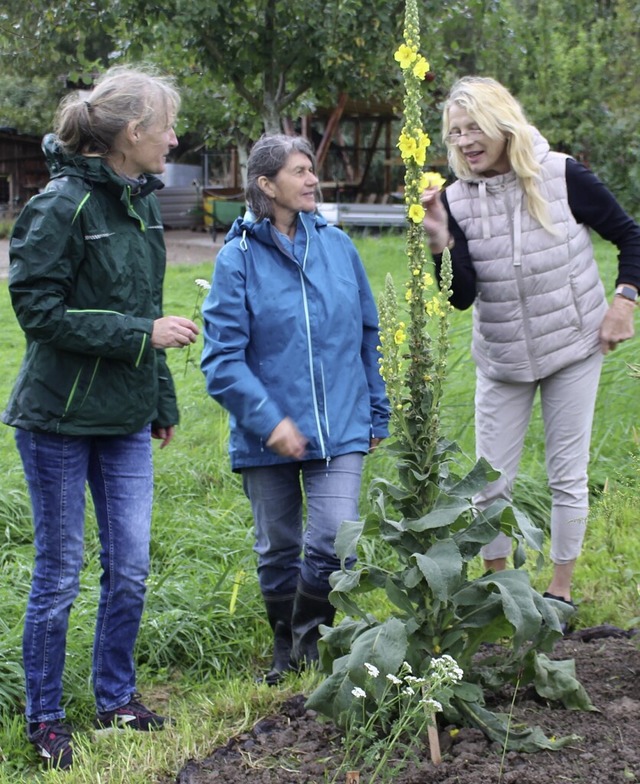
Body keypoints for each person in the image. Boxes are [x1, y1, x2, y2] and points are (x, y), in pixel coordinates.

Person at [2, 66, 199, 770]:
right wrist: (139, 334)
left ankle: (116, 698)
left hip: (123, 418)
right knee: (59, 573)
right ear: (132, 132)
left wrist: (162, 398)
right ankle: (45, 718)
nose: (174, 137)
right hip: (56, 419)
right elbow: (39, 313)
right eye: (167, 125)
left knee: (132, 568)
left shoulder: (142, 205)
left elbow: (150, 306)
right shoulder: (60, 206)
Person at [422, 76, 640, 620]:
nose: (466, 141)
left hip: (572, 343)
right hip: (501, 357)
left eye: (475, 128)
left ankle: (561, 591)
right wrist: (439, 242)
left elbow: (631, 235)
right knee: (489, 482)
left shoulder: (560, 174)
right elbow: (462, 298)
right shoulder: (454, 199)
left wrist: (624, 302)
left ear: (502, 125)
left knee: (567, 472)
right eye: (456, 133)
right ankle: (502, 592)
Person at [200, 133, 390, 685]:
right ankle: (287, 650)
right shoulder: (235, 260)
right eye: (300, 171)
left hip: (340, 428)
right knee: (278, 548)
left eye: (313, 170)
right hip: (267, 436)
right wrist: (271, 421)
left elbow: (367, 334)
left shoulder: (337, 247)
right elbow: (221, 360)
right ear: (266, 185)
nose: (313, 180)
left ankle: (310, 644)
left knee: (332, 537)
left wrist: (376, 412)